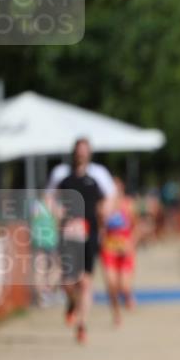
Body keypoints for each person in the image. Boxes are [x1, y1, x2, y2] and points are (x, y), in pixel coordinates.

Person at [54, 138, 107, 344]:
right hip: (69, 235)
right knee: (68, 281)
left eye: (85, 150)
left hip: (89, 235)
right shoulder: (65, 181)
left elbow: (102, 206)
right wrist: (60, 218)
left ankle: (82, 325)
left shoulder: (94, 182)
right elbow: (54, 203)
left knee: (85, 282)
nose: (82, 154)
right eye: (79, 150)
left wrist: (102, 226)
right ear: (74, 153)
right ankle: (72, 303)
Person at [100, 177, 137, 326]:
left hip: (125, 250)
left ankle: (127, 296)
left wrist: (131, 243)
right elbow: (100, 226)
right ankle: (116, 313)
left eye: (118, 188)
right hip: (109, 250)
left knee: (124, 286)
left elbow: (136, 226)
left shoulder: (128, 204)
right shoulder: (104, 206)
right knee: (111, 285)